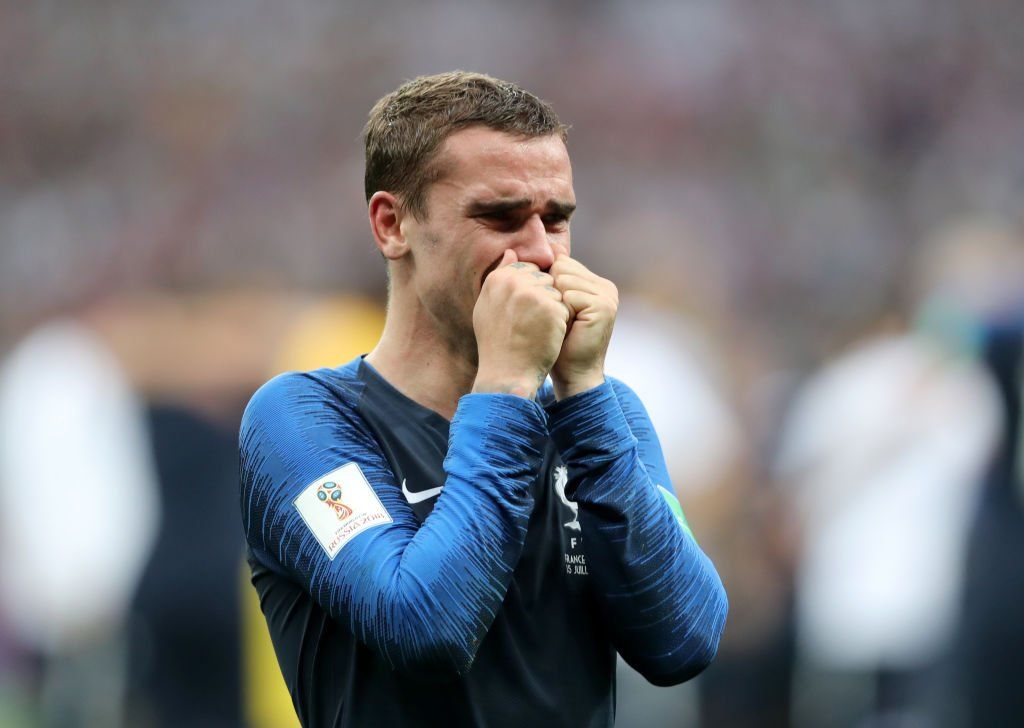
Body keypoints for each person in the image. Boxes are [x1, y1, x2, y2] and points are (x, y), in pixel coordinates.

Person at [239, 71, 728, 727]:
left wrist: (583, 393)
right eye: (499, 217)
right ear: (392, 225)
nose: (539, 251)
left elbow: (686, 640)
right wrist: (505, 385)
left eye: (556, 219)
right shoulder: (302, 420)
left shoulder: (602, 418)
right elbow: (427, 625)